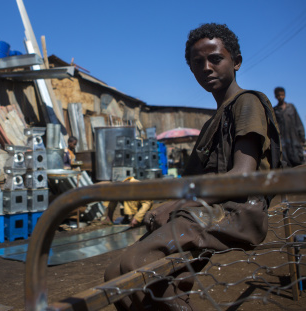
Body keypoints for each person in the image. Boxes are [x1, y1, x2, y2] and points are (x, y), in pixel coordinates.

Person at [104, 23, 282, 310]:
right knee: (114, 273)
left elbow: (242, 175)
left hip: (237, 210)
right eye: (197, 62)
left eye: (216, 58)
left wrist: (175, 205)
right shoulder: (213, 122)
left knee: (137, 264)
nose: (207, 67)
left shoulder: (246, 103)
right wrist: (170, 204)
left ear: (235, 62)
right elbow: (190, 183)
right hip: (206, 209)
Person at [273, 86, 306, 167]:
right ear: (275, 96)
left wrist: (302, 136)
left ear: (285, 95)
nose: (280, 97)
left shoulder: (291, 107)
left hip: (294, 139)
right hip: (283, 141)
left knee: (297, 160)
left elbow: (298, 122)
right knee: (285, 162)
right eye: (278, 95)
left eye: (282, 95)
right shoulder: (275, 110)